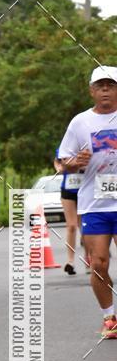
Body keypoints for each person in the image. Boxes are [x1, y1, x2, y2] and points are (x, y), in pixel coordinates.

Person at [58, 66, 117, 339]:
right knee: (99, 263)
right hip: (95, 203)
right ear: (92, 90)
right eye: (100, 85)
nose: (105, 89)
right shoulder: (80, 122)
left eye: (111, 85)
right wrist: (73, 163)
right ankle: (110, 317)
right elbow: (62, 162)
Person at [52, 147, 85, 275]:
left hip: (84, 191)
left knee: (84, 227)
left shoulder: (86, 145)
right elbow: (57, 161)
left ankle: (89, 259)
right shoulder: (64, 146)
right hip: (68, 190)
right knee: (71, 226)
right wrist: (59, 168)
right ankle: (70, 262)